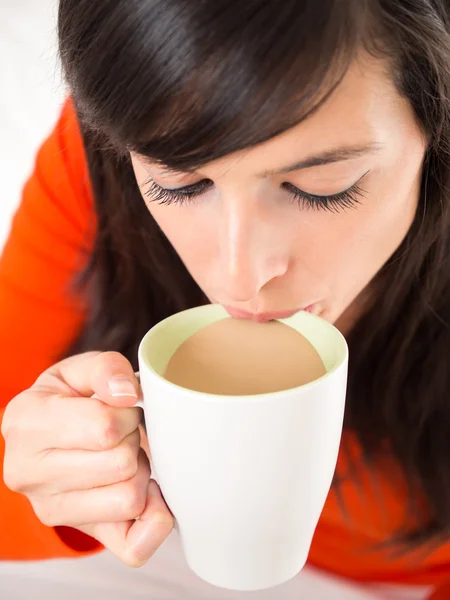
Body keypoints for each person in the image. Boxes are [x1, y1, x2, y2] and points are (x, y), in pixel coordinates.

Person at [1, 0, 450, 598]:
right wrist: (54, 481)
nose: (240, 280)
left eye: (321, 189)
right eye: (178, 184)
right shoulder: (98, 158)